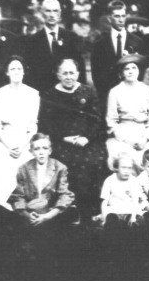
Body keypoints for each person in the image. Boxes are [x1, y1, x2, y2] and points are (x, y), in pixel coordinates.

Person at [41, 58, 107, 216]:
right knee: (65, 162)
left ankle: (91, 209)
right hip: (61, 141)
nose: (68, 76)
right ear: (58, 74)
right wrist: (64, 138)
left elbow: (97, 119)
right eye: (64, 73)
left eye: (72, 73)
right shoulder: (50, 94)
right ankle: (68, 208)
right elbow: (46, 124)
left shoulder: (88, 91)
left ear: (78, 74)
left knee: (94, 160)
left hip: (87, 141)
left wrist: (87, 138)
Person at [0, 58, 41, 201]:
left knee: (25, 183)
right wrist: (9, 146)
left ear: (24, 72)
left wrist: (22, 145)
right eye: (12, 69)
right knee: (2, 182)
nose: (16, 72)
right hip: (4, 141)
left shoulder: (33, 94)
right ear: (7, 72)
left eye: (19, 69)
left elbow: (33, 125)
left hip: (25, 142)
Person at [104, 54, 149, 160]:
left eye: (134, 68)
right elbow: (111, 121)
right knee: (124, 158)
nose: (130, 71)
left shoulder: (148, 91)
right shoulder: (115, 92)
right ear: (122, 72)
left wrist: (146, 138)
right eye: (126, 69)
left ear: (139, 70)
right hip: (123, 133)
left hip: (144, 132)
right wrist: (127, 139)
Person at [20, 0, 82, 90]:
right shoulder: (32, 41)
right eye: (48, 11)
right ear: (42, 13)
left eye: (55, 11)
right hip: (44, 93)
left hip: (69, 93)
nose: (52, 15)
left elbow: (80, 68)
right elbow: (30, 75)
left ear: (60, 13)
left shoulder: (71, 38)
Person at [10, 135, 73, 225]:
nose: (41, 152)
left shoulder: (60, 167)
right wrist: (27, 215)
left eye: (45, 148)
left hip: (51, 214)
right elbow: (18, 196)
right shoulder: (23, 169)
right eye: (37, 149)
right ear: (31, 151)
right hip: (31, 212)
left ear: (50, 151)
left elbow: (64, 195)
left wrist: (47, 216)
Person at [90, 1, 147, 93]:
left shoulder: (137, 41)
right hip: (107, 94)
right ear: (109, 18)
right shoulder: (99, 43)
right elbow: (96, 74)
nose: (121, 20)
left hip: (131, 94)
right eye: (117, 16)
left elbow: (141, 70)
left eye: (123, 16)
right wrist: (104, 94)